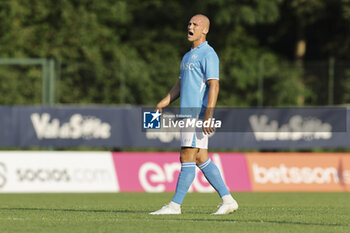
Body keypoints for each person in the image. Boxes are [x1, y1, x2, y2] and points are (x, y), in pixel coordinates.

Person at [149, 14, 238, 215]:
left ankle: (174, 206)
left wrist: (208, 114)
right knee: (200, 158)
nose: (190, 26)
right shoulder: (187, 56)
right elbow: (180, 85)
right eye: (189, 23)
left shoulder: (209, 54)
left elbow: (214, 85)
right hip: (186, 113)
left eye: (195, 24)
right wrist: (163, 102)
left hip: (196, 113)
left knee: (186, 155)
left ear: (205, 30)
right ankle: (228, 200)